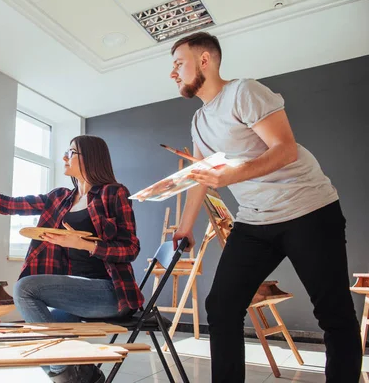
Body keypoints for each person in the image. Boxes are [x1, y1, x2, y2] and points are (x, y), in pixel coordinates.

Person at [153, 31, 360, 382]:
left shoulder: (244, 92)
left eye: (178, 64)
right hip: (255, 221)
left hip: (308, 210)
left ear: (205, 60)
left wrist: (230, 176)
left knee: (333, 313)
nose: (173, 73)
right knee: (221, 305)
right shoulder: (199, 121)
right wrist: (184, 228)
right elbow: (201, 178)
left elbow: (285, 149)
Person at [0, 134, 144, 383]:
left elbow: (130, 249)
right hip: (73, 295)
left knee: (25, 288)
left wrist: (81, 244)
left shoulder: (113, 193)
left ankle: (67, 374)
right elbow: (10, 205)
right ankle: (82, 372)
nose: (64, 157)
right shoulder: (60, 198)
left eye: (71, 152)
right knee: (32, 335)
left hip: (109, 293)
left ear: (90, 157)